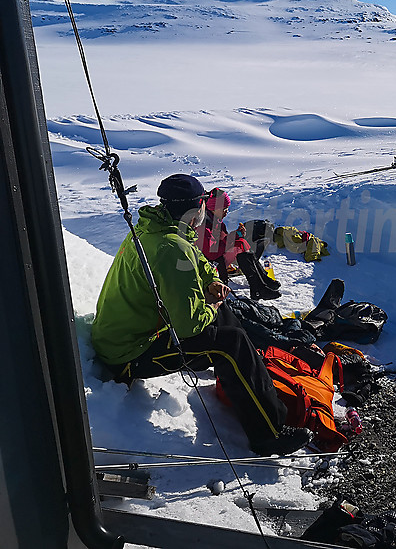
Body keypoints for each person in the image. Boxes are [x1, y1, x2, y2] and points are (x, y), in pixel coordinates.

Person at [90, 174, 311, 455]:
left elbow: (197, 260)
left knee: (229, 324)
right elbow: (189, 327)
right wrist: (212, 306)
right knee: (230, 344)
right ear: (197, 210)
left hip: (123, 336)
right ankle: (268, 434)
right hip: (129, 354)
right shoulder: (171, 248)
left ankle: (253, 392)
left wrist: (211, 281)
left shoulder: (156, 231)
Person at [197, 187, 281, 301]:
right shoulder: (204, 225)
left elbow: (223, 241)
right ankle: (258, 287)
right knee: (239, 244)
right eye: (224, 209)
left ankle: (262, 281)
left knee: (241, 242)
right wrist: (234, 236)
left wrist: (237, 234)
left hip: (218, 258)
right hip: (211, 263)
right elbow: (212, 253)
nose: (226, 212)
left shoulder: (217, 221)